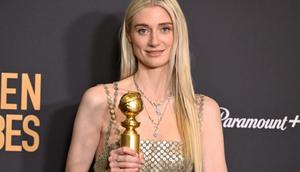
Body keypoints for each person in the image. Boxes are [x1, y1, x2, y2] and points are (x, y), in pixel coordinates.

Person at [65, 0, 228, 171]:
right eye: (143, 30)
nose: (154, 41)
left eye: (165, 28)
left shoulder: (203, 110)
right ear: (129, 35)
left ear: (178, 33)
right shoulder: (99, 100)